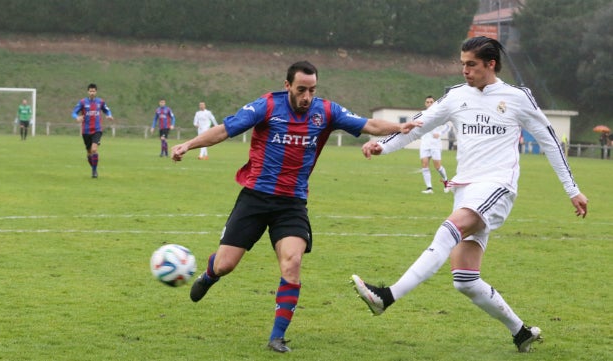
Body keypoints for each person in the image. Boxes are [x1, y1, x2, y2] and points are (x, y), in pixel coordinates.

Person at [351, 37, 588, 353]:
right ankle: (521, 332)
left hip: (497, 187)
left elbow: (549, 141)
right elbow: (419, 126)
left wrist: (572, 189)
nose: (464, 70)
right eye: (462, 63)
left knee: (449, 228)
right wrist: (384, 145)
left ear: (491, 65)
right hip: (466, 189)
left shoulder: (517, 97)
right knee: (465, 278)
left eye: (471, 64)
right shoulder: (455, 96)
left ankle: (387, 296)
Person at [171, 61, 421, 353]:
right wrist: (187, 145)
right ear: (287, 85)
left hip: (292, 203)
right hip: (255, 198)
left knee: (292, 262)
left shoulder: (326, 111)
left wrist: (400, 126)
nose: (307, 96)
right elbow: (225, 130)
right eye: (301, 89)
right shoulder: (266, 106)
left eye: (312, 90)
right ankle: (210, 274)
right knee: (226, 264)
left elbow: (370, 124)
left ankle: (277, 336)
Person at [71, 83, 114, 178]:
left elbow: (107, 110)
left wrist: (109, 115)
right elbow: (73, 112)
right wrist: (77, 117)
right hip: (86, 131)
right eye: (90, 91)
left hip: (97, 130)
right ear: (88, 92)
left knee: (94, 149)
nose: (92, 93)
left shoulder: (100, 102)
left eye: (94, 91)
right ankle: (94, 168)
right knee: (89, 153)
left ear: (96, 92)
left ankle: (94, 172)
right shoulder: (82, 102)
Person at [418, 95, 449, 194]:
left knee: (437, 167)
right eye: (427, 102)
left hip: (435, 144)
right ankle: (429, 188)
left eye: (431, 102)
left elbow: (448, 126)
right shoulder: (422, 115)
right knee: (424, 164)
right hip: (425, 144)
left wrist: (439, 133)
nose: (429, 103)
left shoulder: (439, 114)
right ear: (425, 104)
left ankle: (446, 182)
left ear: (434, 103)